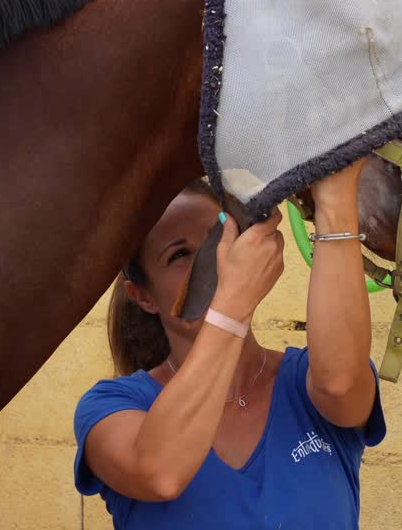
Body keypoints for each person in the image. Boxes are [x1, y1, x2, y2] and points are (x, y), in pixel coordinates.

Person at [73, 161, 384, 529]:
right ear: (142, 296)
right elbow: (160, 472)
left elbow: (341, 385)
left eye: (218, 237)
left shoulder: (305, 383)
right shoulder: (110, 407)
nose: (216, 260)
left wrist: (334, 200)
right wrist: (231, 307)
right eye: (178, 255)